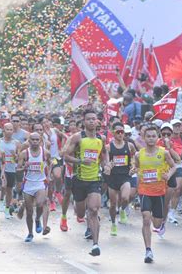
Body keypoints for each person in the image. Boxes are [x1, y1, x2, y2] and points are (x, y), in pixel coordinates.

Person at [64, 110, 110, 256]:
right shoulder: (77, 138)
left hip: (94, 180)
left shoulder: (101, 138)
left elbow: (104, 155)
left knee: (94, 210)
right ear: (84, 122)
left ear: (97, 121)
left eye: (94, 119)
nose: (91, 121)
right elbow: (65, 156)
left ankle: (95, 245)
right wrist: (80, 161)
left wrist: (107, 165)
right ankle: (85, 218)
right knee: (80, 212)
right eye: (88, 119)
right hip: (79, 179)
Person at [131, 126, 176, 263]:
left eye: (153, 136)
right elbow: (136, 167)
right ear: (144, 138)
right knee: (145, 218)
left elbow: (174, 166)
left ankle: (160, 224)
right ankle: (148, 251)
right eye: (148, 136)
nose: (151, 139)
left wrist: (168, 174)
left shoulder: (164, 153)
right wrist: (134, 170)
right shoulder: (139, 154)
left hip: (159, 191)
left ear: (158, 138)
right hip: (144, 190)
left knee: (156, 223)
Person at [17, 132, 51, 242]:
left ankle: (37, 219)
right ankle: (30, 233)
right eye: (33, 140)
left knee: (41, 204)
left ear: (40, 141)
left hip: (40, 182)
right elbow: (18, 169)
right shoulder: (24, 154)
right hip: (28, 183)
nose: (35, 142)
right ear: (29, 141)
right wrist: (24, 167)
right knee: (29, 210)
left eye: (37, 140)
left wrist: (48, 175)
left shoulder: (45, 153)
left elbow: (50, 163)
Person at [105, 122, 136, 236]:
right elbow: (106, 160)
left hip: (125, 176)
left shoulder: (129, 145)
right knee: (112, 204)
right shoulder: (108, 147)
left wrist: (133, 166)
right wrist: (107, 166)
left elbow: (134, 158)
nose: (120, 134)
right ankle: (113, 224)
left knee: (125, 198)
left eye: (122, 132)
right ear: (113, 133)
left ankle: (122, 210)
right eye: (118, 132)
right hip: (113, 178)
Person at [0, 123, 21, 219]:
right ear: (3, 130)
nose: (9, 131)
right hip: (0, 168)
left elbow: (19, 158)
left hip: (11, 168)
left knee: (9, 190)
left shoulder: (16, 143)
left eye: (11, 129)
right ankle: (1, 201)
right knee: (3, 185)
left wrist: (15, 156)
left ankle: (7, 209)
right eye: (7, 129)